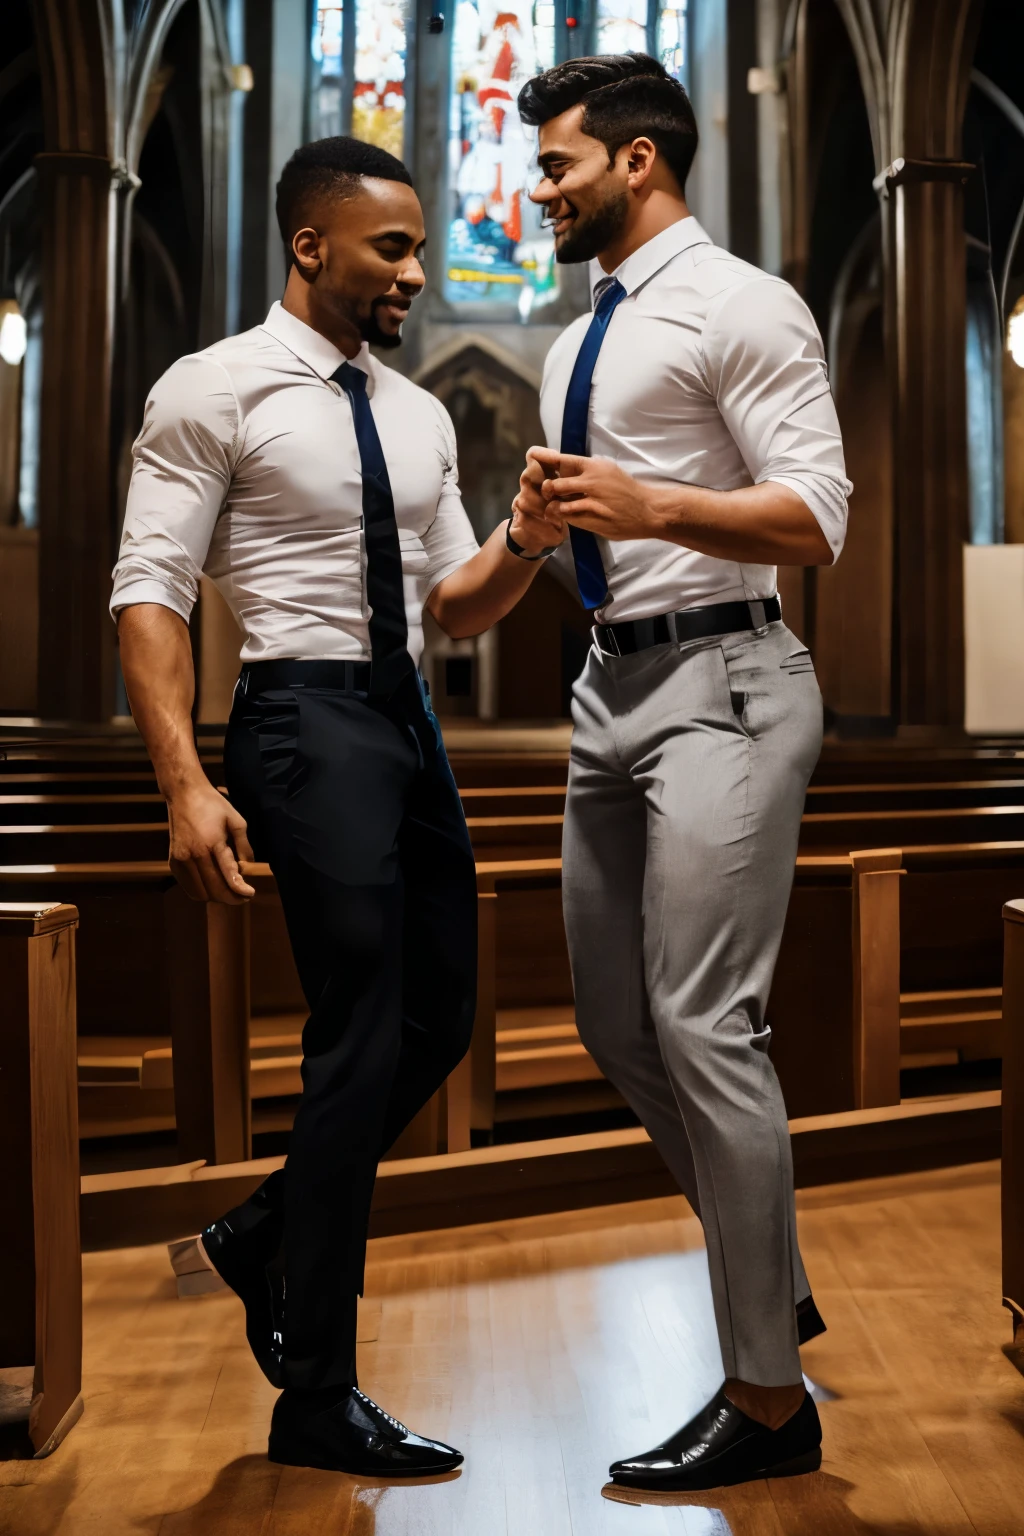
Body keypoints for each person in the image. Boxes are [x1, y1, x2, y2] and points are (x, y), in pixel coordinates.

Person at [111, 136, 563, 1477]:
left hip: (408, 715)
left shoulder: (420, 415)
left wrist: (527, 540)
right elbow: (150, 591)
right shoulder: (214, 390)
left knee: (441, 1012)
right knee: (360, 1025)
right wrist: (184, 781)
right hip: (300, 718)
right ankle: (315, 1388)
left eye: (422, 249)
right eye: (393, 249)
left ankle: (258, 1242)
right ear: (311, 246)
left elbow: (450, 603)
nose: (417, 273)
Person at [513, 53, 852, 1491]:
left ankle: (770, 1402)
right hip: (609, 683)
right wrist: (538, 532)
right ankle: (766, 1265)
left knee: (705, 1022)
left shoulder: (742, 303)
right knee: (614, 1024)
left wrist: (654, 502)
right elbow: (599, 526)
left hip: (727, 677)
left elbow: (817, 515)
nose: (540, 190)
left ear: (639, 162)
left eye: (559, 164)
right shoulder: (577, 336)